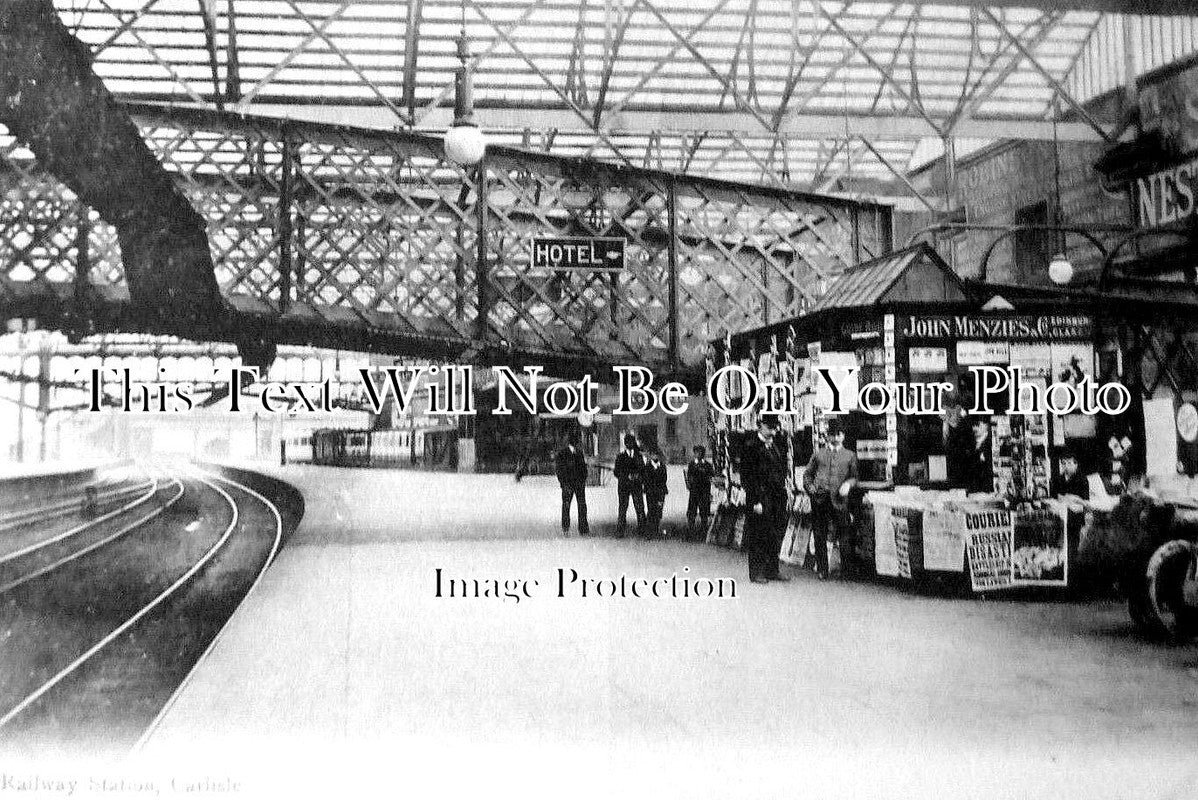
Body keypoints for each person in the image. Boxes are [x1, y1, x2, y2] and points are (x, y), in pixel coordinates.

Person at [803, 421, 858, 580]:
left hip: (840, 500)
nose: (836, 437)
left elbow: (855, 477)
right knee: (819, 534)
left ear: (843, 436)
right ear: (827, 436)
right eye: (833, 434)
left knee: (844, 534)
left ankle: (846, 570)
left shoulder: (850, 455)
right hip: (820, 499)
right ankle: (822, 569)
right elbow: (807, 474)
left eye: (839, 434)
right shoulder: (819, 454)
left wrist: (848, 484)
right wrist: (811, 488)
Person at [740, 415, 791, 584]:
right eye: (769, 427)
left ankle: (772, 570)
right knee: (758, 535)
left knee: (774, 534)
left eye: (774, 427)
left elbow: (780, 470)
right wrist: (755, 501)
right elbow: (747, 477)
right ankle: (756, 573)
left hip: (776, 497)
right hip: (760, 497)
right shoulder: (750, 446)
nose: (772, 431)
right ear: (760, 425)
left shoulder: (776, 445)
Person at [555, 434, 589, 535]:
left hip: (577, 484)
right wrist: (563, 483)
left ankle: (580, 527)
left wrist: (582, 480)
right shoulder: (564, 454)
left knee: (579, 506)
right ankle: (568, 527)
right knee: (569, 506)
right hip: (569, 484)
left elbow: (583, 469)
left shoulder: (577, 453)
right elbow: (560, 470)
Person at [613, 434, 646, 537]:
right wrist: (626, 476)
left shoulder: (639, 456)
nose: (630, 444)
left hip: (636, 485)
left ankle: (642, 529)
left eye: (631, 442)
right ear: (625, 444)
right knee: (623, 508)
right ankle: (620, 530)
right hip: (624, 486)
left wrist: (638, 476)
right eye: (628, 443)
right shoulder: (620, 457)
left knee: (639, 507)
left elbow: (643, 470)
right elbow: (616, 472)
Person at [684, 445, 715, 539]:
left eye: (700, 452)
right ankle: (691, 531)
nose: (698, 454)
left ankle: (703, 531)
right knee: (692, 511)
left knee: (704, 512)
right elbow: (689, 477)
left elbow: (711, 477)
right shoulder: (692, 464)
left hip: (704, 491)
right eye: (697, 452)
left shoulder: (708, 465)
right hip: (694, 491)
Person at [958, 417, 994, 494]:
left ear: (986, 426)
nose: (974, 428)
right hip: (974, 490)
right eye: (973, 425)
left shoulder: (990, 444)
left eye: (978, 424)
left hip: (987, 490)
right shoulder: (970, 444)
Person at [643, 449, 669, 538]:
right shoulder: (647, 467)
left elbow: (664, 479)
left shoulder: (662, 466)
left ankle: (656, 529)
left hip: (660, 492)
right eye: (653, 455)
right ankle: (649, 531)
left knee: (658, 510)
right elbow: (646, 479)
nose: (655, 457)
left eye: (657, 455)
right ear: (650, 456)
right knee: (651, 510)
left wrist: (660, 488)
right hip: (650, 492)